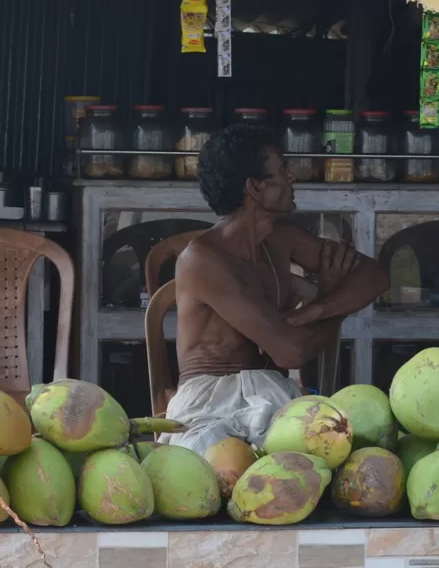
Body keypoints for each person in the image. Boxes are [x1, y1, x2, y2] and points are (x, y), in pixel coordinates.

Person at [158, 122, 390, 456]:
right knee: (219, 473)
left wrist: (322, 307)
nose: (292, 177)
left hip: (273, 395)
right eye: (281, 169)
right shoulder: (202, 259)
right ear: (254, 187)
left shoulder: (283, 238)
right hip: (209, 406)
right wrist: (333, 303)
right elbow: (290, 352)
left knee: (335, 460)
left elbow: (376, 276)